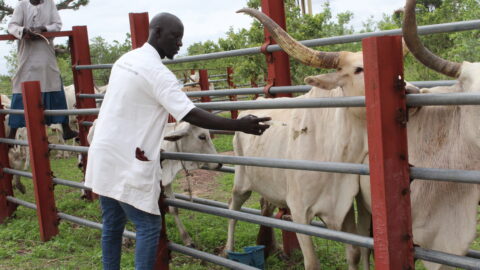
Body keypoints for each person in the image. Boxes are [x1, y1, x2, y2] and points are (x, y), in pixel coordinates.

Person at [84, 12, 270, 270]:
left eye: (181, 38)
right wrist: (238, 125)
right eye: (175, 36)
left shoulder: (126, 60)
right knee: (149, 225)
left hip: (104, 152)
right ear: (157, 32)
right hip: (127, 158)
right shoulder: (157, 73)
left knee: (113, 224)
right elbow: (190, 113)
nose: (180, 43)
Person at [7, 0, 78, 140]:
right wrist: (25, 31)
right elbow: (12, 26)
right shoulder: (22, 5)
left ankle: (66, 128)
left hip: (46, 54)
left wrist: (43, 28)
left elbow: (57, 24)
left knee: (54, 83)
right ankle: (12, 134)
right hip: (27, 54)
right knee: (21, 88)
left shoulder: (49, 3)